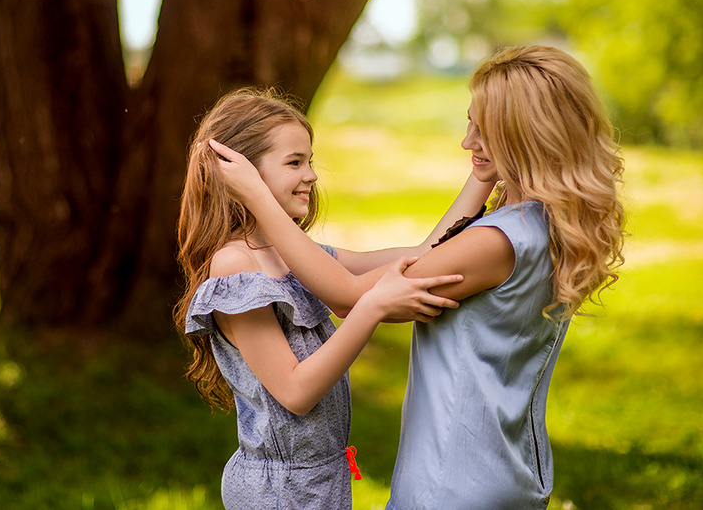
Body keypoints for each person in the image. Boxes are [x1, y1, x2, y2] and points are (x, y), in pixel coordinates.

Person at [210, 45, 627, 509]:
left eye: (483, 131)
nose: (467, 142)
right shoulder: (538, 225)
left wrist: (256, 197)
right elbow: (426, 255)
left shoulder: (495, 241)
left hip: (452, 483)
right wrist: (485, 173)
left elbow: (349, 295)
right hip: (510, 469)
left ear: (522, 135)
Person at [173, 88, 467, 510]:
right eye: (294, 162)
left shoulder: (296, 257)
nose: (311, 174)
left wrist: (482, 180)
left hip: (322, 479)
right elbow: (294, 390)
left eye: (309, 160)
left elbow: (421, 258)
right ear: (242, 174)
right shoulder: (235, 264)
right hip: (278, 491)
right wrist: (374, 308)